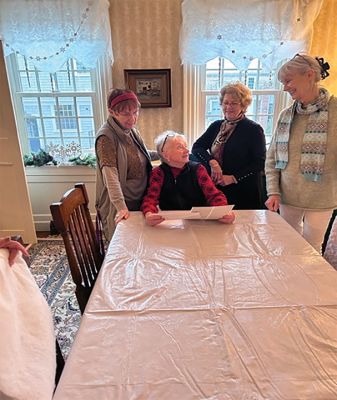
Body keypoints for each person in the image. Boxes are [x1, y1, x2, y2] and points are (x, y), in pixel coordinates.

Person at [265, 54, 337, 253]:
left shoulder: (335, 110)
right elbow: (271, 159)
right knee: (288, 246)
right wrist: (273, 191)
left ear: (309, 75)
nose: (285, 87)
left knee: (311, 250)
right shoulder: (286, 115)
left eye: (288, 81)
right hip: (288, 196)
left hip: (322, 199)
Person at [191, 82, 266, 209]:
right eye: (225, 103)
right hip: (217, 189)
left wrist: (232, 178)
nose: (228, 107)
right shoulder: (216, 126)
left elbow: (259, 163)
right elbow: (197, 147)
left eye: (234, 103)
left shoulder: (253, 129)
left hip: (244, 191)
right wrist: (212, 163)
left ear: (243, 105)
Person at [141, 131, 235, 226]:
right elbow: (151, 198)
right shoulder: (158, 173)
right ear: (166, 155)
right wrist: (149, 214)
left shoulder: (198, 169)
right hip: (171, 223)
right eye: (180, 147)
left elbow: (214, 195)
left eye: (185, 146)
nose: (187, 151)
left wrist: (223, 211)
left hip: (199, 222)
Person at [95, 89, 154, 240]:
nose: (133, 118)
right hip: (124, 205)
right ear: (112, 112)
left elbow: (140, 155)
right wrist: (121, 207)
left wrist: (166, 151)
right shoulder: (106, 138)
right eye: (126, 114)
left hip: (139, 201)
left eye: (135, 112)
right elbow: (111, 176)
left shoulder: (131, 130)